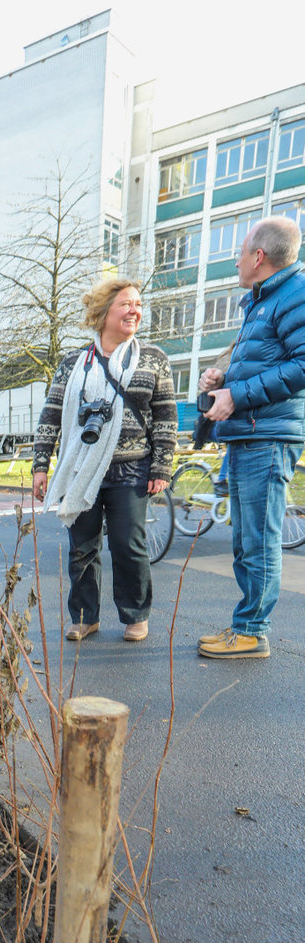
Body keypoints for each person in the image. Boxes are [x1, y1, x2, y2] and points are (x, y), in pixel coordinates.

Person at [32, 279, 176, 642]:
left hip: (132, 467)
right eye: (126, 303)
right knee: (82, 548)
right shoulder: (74, 363)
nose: (135, 310)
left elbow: (165, 418)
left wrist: (161, 466)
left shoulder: (153, 359)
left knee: (129, 544)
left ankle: (135, 615)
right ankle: (84, 616)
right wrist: (40, 466)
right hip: (81, 466)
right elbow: (50, 415)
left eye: (139, 304)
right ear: (103, 312)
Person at [196, 216, 305, 659]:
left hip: (267, 438)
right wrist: (225, 376)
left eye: (240, 252)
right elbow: (272, 362)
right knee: (244, 541)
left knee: (258, 540)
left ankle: (253, 631)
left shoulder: (294, 296)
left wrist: (236, 394)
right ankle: (245, 624)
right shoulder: (264, 301)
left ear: (258, 257)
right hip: (250, 436)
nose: (236, 260)